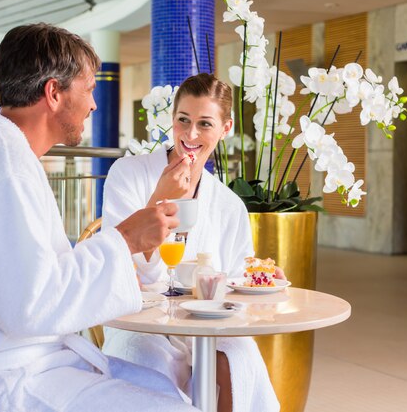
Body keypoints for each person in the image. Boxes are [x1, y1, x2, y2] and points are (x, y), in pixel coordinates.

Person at [0, 23, 199, 412]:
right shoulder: (5, 170)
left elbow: (30, 282)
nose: (94, 104)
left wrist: (116, 249)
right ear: (53, 93)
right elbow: (31, 306)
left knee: (162, 383)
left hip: (8, 362)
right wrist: (124, 241)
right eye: (89, 89)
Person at [101, 73, 281, 412]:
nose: (191, 134)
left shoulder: (229, 204)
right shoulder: (127, 174)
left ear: (226, 128)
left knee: (239, 357)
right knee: (145, 362)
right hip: (139, 323)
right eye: (183, 120)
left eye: (205, 124)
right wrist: (159, 198)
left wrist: (258, 277)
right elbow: (115, 261)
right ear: (172, 119)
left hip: (205, 324)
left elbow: (238, 279)